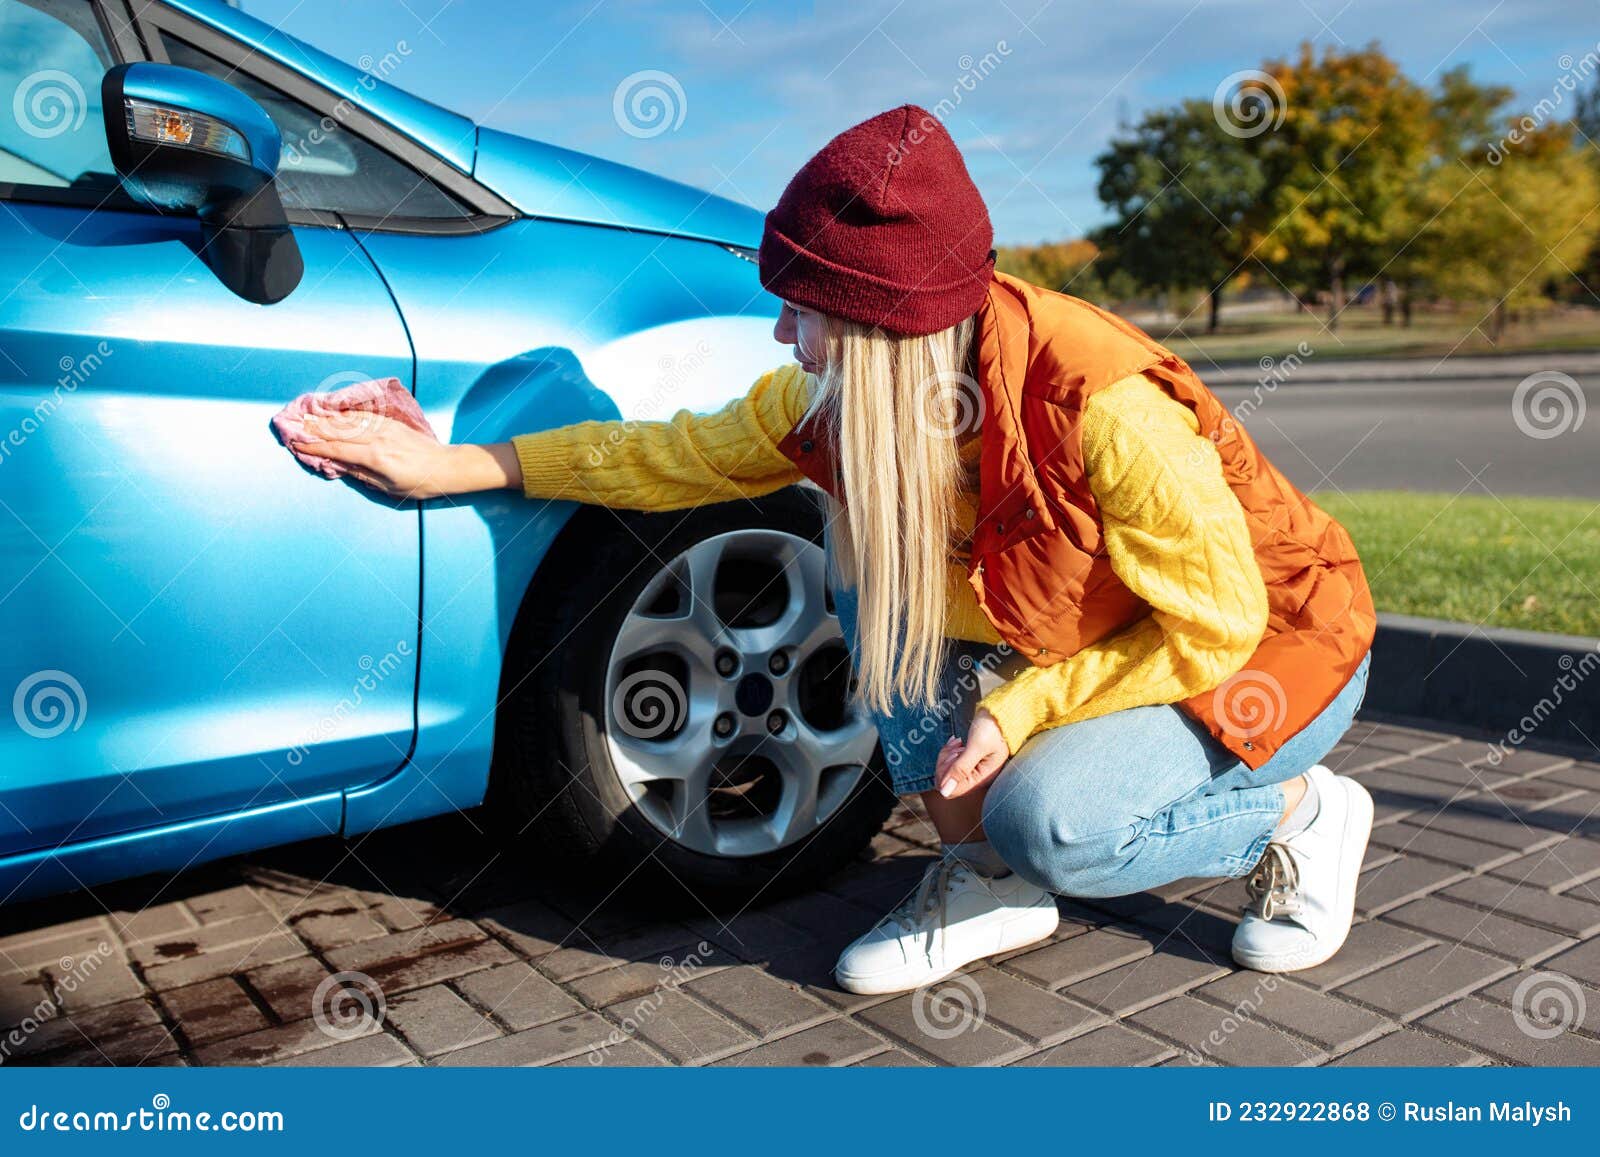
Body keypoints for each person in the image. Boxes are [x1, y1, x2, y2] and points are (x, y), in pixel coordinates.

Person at [289, 105, 1377, 996]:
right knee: (871, 586)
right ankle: (988, 880)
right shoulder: (846, 400)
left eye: (801, 310)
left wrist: (1020, 711)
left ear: (884, 325)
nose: (779, 335)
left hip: (1270, 650)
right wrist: (465, 464)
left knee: (1056, 818)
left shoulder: (1103, 409)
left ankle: (1295, 815)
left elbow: (1219, 622)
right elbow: (675, 452)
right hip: (1097, 638)